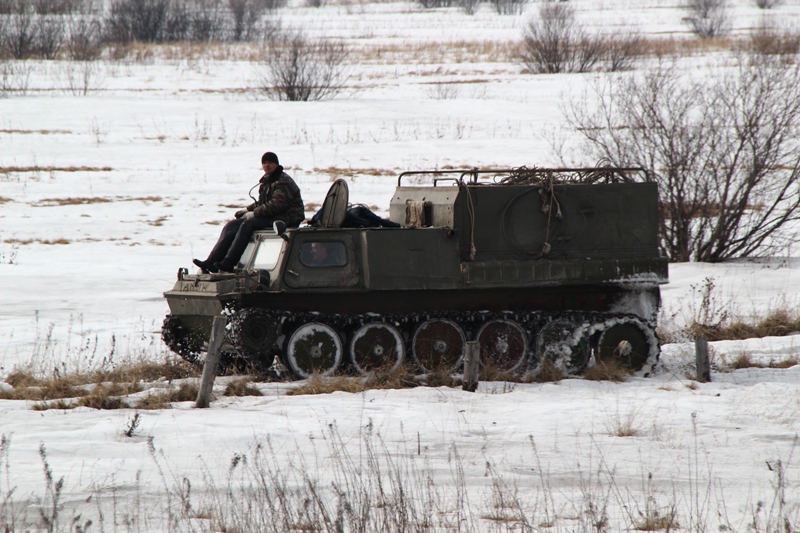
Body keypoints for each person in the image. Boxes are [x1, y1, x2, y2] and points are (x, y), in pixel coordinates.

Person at [193, 152, 305, 273]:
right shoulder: (267, 181)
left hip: (287, 217)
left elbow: (277, 205)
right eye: (264, 163)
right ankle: (212, 262)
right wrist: (247, 210)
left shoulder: (283, 181)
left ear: (276, 164)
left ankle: (230, 262)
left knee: (248, 225)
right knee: (232, 225)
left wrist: (254, 213)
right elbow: (263, 202)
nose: (267, 165)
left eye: (270, 163)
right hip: (273, 215)